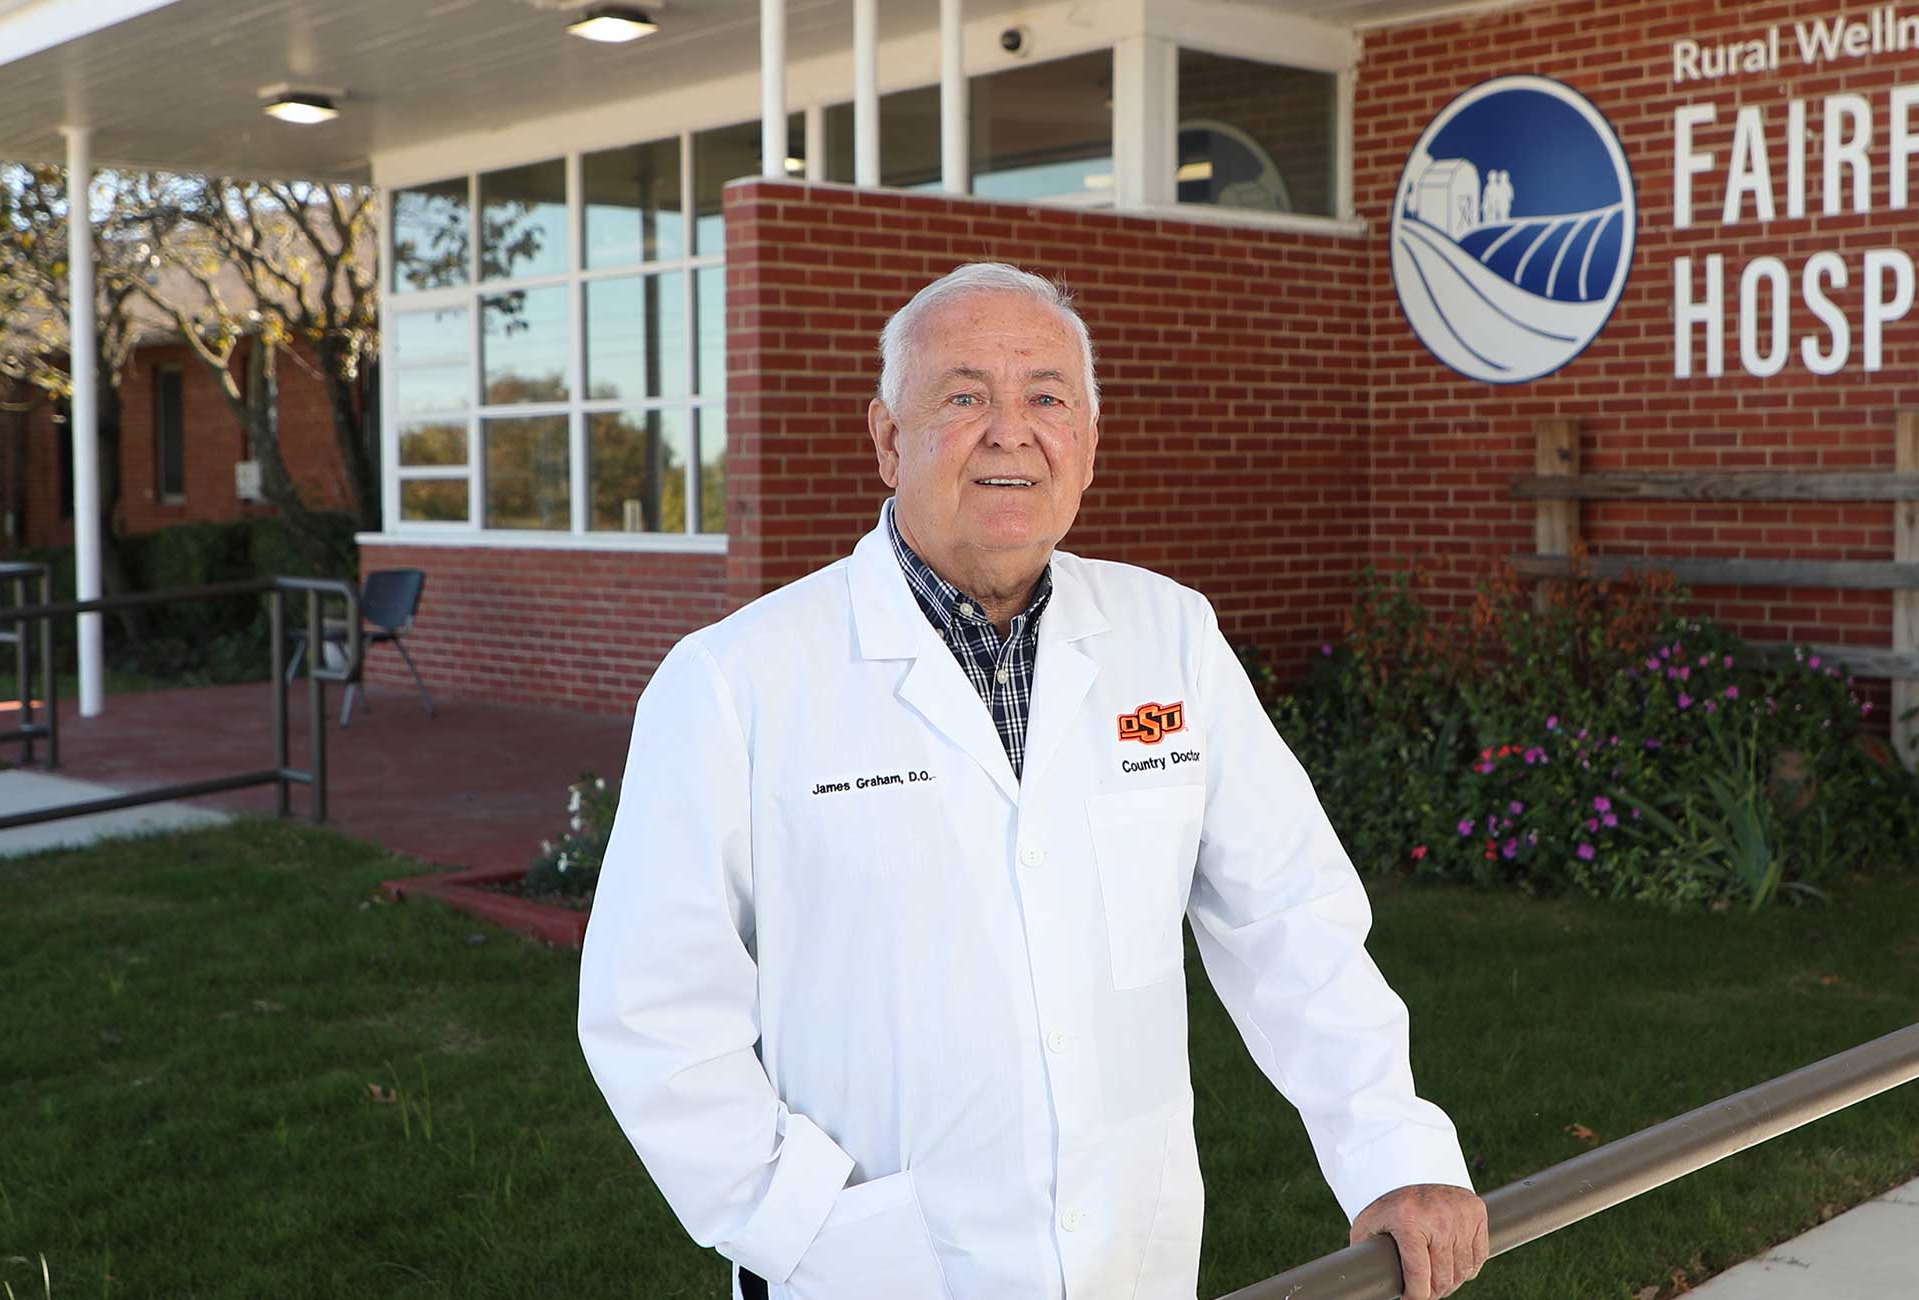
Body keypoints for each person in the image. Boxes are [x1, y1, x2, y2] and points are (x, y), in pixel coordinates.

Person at [576, 262, 1489, 1300]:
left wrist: (1392, 1151)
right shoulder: (736, 680)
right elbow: (651, 1003)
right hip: (869, 1271)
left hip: (1130, 1262)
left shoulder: (1168, 636)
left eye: (1046, 397)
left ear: (1088, 445)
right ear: (886, 438)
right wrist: (803, 1222)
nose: (1011, 430)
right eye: (963, 395)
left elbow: (1290, 919)